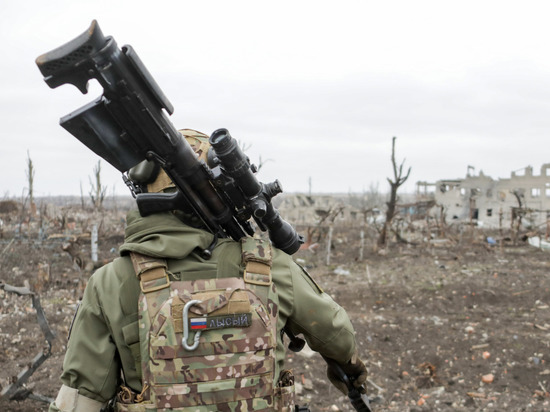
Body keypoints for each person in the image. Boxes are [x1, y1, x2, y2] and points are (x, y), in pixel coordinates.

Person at [48, 130, 367, 412]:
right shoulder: (270, 266)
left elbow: (81, 396)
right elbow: (336, 333)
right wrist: (352, 376)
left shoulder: (110, 283)